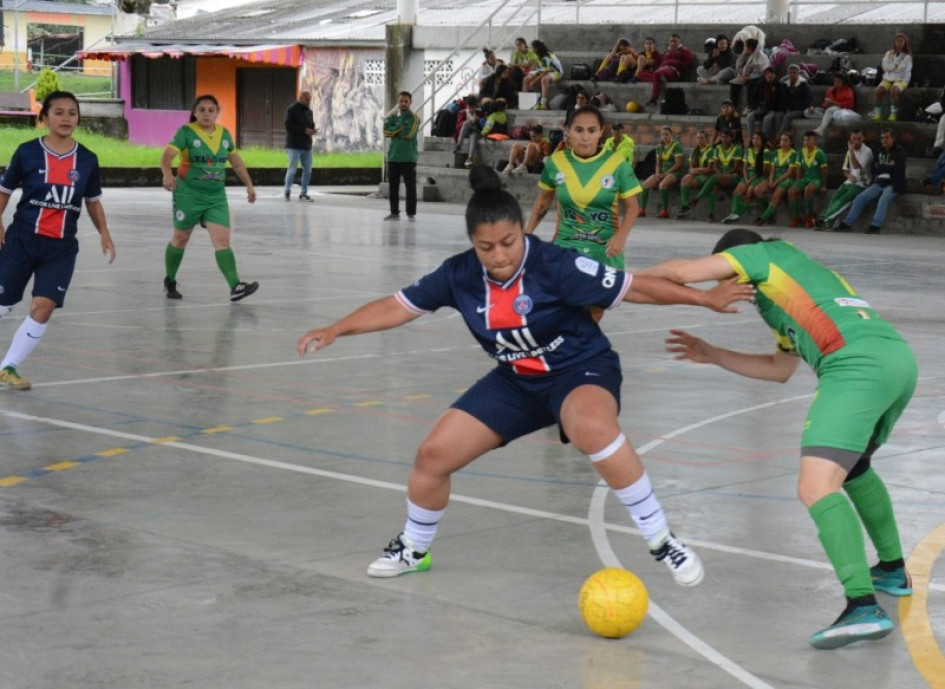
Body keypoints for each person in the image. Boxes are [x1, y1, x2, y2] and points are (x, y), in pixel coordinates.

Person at [297, 166, 755, 588]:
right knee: (433, 455)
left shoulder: (556, 266)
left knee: (591, 428)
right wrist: (338, 327)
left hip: (580, 369)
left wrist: (704, 300)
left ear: (521, 232)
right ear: (472, 242)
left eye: (509, 242)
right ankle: (414, 548)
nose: (498, 255)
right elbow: (398, 306)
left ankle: (662, 540)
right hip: (516, 379)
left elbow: (634, 287)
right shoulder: (459, 274)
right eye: (486, 247)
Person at [640, 227, 917, 650]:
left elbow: (682, 272)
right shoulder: (790, 282)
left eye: (724, 276)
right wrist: (712, 354)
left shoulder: (760, 254)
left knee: (815, 485)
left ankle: (861, 604)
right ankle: (893, 569)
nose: (723, 288)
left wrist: (616, 281)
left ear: (736, 261)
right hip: (896, 360)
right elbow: (779, 369)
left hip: (855, 364)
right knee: (855, 465)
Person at [0, 91, 116, 390]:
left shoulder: (87, 160)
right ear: (45, 117)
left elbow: (92, 201)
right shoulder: (27, 152)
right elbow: (4, 191)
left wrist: (104, 232)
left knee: (44, 306)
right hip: (21, 241)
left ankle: (8, 367)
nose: (66, 118)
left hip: (61, 248)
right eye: (59, 112)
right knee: (3, 304)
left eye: (72, 113)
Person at [160, 94, 258, 302]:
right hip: (188, 194)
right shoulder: (186, 133)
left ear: (217, 113)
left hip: (215, 197)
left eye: (211, 110)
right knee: (180, 239)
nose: (206, 114)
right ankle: (170, 279)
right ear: (194, 113)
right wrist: (167, 174)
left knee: (222, 241)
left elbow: (236, 162)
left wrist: (249, 185)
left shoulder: (224, 135)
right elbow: (167, 156)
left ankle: (235, 286)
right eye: (202, 110)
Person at [524, 104, 641, 274]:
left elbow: (633, 207)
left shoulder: (617, 164)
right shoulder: (556, 162)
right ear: (568, 131)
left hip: (605, 252)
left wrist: (621, 236)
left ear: (601, 131)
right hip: (566, 251)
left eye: (592, 130)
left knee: (598, 301)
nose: (585, 137)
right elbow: (544, 200)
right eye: (579, 130)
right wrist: (527, 233)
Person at [833, 128, 905, 234]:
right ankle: (847, 223)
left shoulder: (899, 152)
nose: (884, 140)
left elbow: (897, 169)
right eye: (882, 138)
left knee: (883, 199)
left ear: (893, 138)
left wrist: (881, 167)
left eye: (887, 137)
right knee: (860, 198)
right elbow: (873, 169)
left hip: (894, 183)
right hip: (879, 182)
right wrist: (887, 166)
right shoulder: (879, 151)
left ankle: (875, 225)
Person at [678, 127, 742, 222]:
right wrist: (719, 174)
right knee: (709, 185)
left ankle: (697, 199)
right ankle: (690, 209)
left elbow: (734, 168)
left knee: (713, 178)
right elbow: (693, 169)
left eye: (726, 137)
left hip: (732, 175)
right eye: (722, 137)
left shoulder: (734, 149)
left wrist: (720, 175)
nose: (723, 139)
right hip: (717, 175)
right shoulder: (716, 148)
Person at [816, 129, 872, 230]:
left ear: (863, 138)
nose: (856, 141)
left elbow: (856, 166)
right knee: (835, 197)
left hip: (861, 184)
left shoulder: (867, 151)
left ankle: (824, 221)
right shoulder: (848, 151)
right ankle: (824, 220)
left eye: (859, 139)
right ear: (851, 138)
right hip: (849, 181)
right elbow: (846, 170)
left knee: (843, 199)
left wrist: (851, 151)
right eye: (854, 139)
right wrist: (849, 176)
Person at [383, 91, 420, 221]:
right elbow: (386, 131)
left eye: (406, 101)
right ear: (398, 102)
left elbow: (409, 133)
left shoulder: (415, 118)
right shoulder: (393, 117)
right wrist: (399, 127)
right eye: (401, 101)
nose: (403, 104)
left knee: (410, 187)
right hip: (393, 157)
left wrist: (395, 130)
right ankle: (394, 213)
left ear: (410, 102)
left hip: (409, 158)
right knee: (393, 187)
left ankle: (411, 213)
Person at [639, 125, 684, 219]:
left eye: (666, 134)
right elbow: (658, 163)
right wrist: (658, 173)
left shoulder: (677, 146)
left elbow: (678, 165)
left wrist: (664, 174)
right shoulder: (660, 146)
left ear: (671, 135)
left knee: (662, 185)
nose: (664, 136)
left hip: (674, 172)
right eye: (662, 134)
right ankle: (642, 210)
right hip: (663, 172)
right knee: (646, 184)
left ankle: (665, 210)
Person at [723, 131, 768, 223]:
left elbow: (762, 170)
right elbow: (744, 167)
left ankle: (739, 213)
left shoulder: (766, 152)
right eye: (754, 138)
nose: (755, 141)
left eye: (758, 138)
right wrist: (747, 178)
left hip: (759, 176)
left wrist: (750, 180)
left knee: (748, 194)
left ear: (762, 140)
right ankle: (734, 213)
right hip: (748, 176)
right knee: (737, 192)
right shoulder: (748, 151)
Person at [639, 34, 694, 107]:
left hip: (673, 71)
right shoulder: (666, 52)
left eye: (675, 41)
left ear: (679, 42)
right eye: (671, 41)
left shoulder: (684, 51)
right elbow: (659, 62)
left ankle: (653, 99)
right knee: (640, 74)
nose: (673, 43)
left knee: (656, 74)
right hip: (661, 70)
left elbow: (689, 63)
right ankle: (660, 79)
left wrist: (676, 62)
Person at [787, 130, 827, 228]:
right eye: (804, 140)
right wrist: (797, 183)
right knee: (791, 191)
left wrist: (824, 185)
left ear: (815, 141)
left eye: (809, 140)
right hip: (805, 178)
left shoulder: (820, 153)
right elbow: (799, 169)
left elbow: (824, 170)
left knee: (808, 189)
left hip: (816, 178)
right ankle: (796, 217)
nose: (806, 142)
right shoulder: (801, 152)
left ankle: (808, 216)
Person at [283, 90, 317, 202]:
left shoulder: (309, 111)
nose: (308, 101)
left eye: (310, 99)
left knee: (308, 170)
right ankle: (287, 190)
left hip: (306, 145)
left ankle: (304, 192)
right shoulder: (291, 110)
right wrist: (304, 130)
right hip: (294, 144)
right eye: (307, 99)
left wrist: (312, 130)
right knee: (292, 169)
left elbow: (311, 124)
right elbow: (289, 126)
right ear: (300, 98)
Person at [755, 132, 796, 226]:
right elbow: (772, 170)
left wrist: (776, 182)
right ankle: (768, 212)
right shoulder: (775, 153)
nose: (783, 142)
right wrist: (770, 180)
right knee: (758, 190)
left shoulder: (794, 154)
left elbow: (789, 173)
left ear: (790, 142)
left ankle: (763, 218)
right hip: (775, 178)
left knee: (775, 196)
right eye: (782, 140)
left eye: (786, 140)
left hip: (787, 179)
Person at [872, 33, 912, 122]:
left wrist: (891, 67)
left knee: (894, 91)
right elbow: (884, 66)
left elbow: (901, 69)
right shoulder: (889, 53)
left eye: (901, 41)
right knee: (878, 91)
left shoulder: (907, 56)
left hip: (902, 79)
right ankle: (877, 114)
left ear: (905, 42)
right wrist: (893, 67)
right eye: (897, 41)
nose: (899, 43)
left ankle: (893, 114)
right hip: (888, 78)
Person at [808, 72, 859, 138]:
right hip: (828, 109)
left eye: (838, 82)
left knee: (830, 110)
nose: (836, 84)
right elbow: (824, 105)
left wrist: (833, 103)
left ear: (843, 82)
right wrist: (826, 104)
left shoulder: (848, 90)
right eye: (835, 81)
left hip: (842, 109)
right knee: (807, 112)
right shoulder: (831, 90)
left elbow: (849, 105)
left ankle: (822, 129)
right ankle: (827, 118)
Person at [746, 67, 787, 146]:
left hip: (772, 109)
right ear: (765, 75)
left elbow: (782, 101)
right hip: (760, 109)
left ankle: (763, 140)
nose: (769, 76)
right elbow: (754, 98)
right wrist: (757, 107)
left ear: (774, 75)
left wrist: (772, 108)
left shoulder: (780, 86)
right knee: (749, 118)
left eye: (771, 74)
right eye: (767, 74)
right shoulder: (761, 84)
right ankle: (752, 140)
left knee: (767, 119)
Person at [678, 130, 714, 216]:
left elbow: (709, 169)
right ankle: (685, 206)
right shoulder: (695, 151)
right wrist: (697, 170)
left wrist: (697, 170)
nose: (699, 140)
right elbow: (691, 168)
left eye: (702, 138)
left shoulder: (710, 150)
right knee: (684, 180)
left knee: (693, 180)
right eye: (698, 138)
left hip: (706, 175)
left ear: (707, 139)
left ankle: (692, 204)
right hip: (698, 174)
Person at [728, 38, 769, 113]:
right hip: (745, 76)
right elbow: (738, 67)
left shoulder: (760, 56)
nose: (744, 48)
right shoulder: (746, 54)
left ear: (750, 48)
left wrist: (749, 77)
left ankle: (750, 106)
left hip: (758, 77)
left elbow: (760, 72)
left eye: (745, 46)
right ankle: (732, 106)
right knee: (734, 84)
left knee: (752, 84)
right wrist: (743, 75)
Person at [523, 39, 563, 111]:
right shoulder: (538, 55)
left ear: (537, 49)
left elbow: (545, 72)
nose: (531, 49)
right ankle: (526, 102)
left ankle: (543, 103)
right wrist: (531, 73)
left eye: (532, 47)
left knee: (544, 79)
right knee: (526, 79)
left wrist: (534, 81)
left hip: (556, 72)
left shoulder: (546, 56)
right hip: (546, 70)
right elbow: (539, 67)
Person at [776, 64, 813, 140]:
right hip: (789, 108)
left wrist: (810, 106)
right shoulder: (786, 84)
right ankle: (780, 135)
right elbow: (784, 98)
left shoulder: (803, 84)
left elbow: (809, 97)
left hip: (801, 109)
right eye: (790, 73)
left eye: (794, 73)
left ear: (798, 73)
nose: (792, 75)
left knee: (788, 116)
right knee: (778, 116)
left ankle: (778, 138)